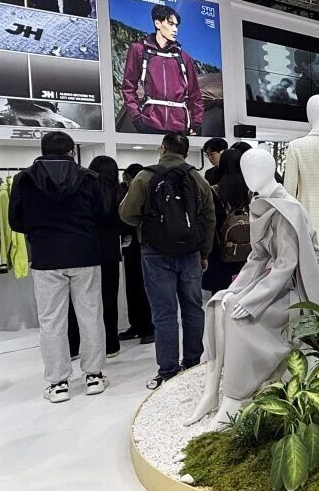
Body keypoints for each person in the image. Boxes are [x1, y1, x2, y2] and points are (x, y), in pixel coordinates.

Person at [8, 131, 111, 401]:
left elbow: (15, 221)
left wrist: (40, 230)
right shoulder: (88, 178)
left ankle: (58, 383)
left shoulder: (24, 179)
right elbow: (102, 215)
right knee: (90, 316)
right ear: (71, 151)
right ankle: (94, 376)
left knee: (51, 320)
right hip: (85, 254)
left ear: (42, 150)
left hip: (46, 257)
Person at [120, 133, 215, 390]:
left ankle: (168, 371)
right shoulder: (197, 178)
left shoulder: (145, 176)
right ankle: (193, 364)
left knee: (164, 313)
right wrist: (204, 252)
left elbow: (127, 214)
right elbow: (209, 218)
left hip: (155, 253)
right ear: (185, 152)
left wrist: (147, 225)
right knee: (193, 309)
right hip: (191, 253)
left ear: (162, 149)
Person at [68, 156, 123, 360]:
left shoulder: (84, 190)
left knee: (79, 301)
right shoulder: (119, 193)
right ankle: (111, 344)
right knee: (109, 300)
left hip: (86, 251)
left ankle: (74, 345)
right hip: (110, 252)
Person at [119, 4, 203, 135]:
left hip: (179, 128)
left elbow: (195, 94)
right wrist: (136, 118)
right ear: (157, 23)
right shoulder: (138, 50)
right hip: (148, 124)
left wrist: (197, 123)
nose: (175, 29)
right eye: (170, 24)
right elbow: (128, 87)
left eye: (176, 26)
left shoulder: (185, 58)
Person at [203, 149, 250, 295]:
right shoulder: (250, 190)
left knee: (221, 295)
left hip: (221, 251)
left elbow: (209, 223)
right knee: (244, 293)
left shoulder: (214, 191)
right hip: (247, 250)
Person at [117, 163, 155, 344]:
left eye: (128, 179)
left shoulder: (147, 193)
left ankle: (149, 327)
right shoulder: (125, 193)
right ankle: (136, 325)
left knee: (145, 288)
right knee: (132, 287)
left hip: (146, 244)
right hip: (130, 246)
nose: (126, 183)